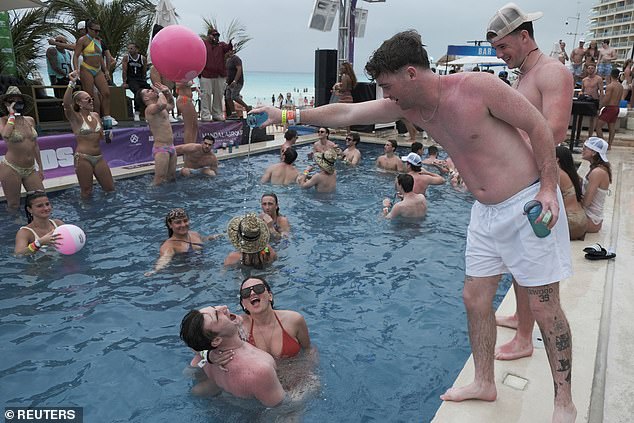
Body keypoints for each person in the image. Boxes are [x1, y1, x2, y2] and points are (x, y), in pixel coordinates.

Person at [251, 29, 575, 422]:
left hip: (527, 201)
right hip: (484, 212)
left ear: (410, 74)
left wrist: (546, 188)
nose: (385, 96)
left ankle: (563, 403)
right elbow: (348, 113)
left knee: (544, 305)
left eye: (388, 86)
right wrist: (286, 115)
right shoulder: (408, 107)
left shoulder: (478, 88)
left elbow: (540, 128)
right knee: (474, 300)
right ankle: (484, 381)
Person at [487, 4, 574, 371]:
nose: (500, 55)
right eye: (496, 50)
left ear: (525, 37)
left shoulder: (552, 72)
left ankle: (525, 339)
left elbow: (553, 131)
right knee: (518, 262)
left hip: (537, 183)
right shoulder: (524, 75)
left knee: (534, 268)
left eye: (504, 47)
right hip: (517, 183)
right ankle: (521, 322)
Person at [179, 305, 286, 407]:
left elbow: (194, 347)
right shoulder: (259, 370)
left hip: (223, 397)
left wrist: (208, 356)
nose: (224, 307)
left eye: (214, 307)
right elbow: (282, 409)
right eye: (217, 315)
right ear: (216, 340)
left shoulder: (205, 354)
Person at [63, 71, 115, 198]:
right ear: (79, 103)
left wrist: (108, 136)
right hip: (83, 158)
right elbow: (66, 104)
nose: (91, 101)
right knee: (87, 191)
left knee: (110, 189)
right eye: (88, 99)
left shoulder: (96, 115)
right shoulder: (75, 118)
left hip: (99, 157)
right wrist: (72, 83)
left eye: (91, 99)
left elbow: (102, 137)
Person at [0, 87, 45, 214]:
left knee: (41, 200)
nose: (16, 103)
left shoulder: (29, 120)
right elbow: (5, 135)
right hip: (11, 167)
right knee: (13, 204)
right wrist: (12, 115)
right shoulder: (3, 121)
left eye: (19, 101)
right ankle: (14, 230)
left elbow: (34, 144)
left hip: (30, 168)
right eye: (12, 101)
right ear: (6, 104)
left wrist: (40, 167)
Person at [146, 208, 220, 275]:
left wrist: (213, 237)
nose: (183, 225)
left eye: (185, 221)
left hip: (203, 269)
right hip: (185, 274)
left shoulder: (194, 234)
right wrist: (155, 270)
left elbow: (204, 239)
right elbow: (164, 258)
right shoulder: (169, 246)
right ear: (170, 225)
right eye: (178, 222)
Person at [72, 19, 117, 125]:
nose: (97, 33)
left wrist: (106, 70)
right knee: (89, 96)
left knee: (106, 93)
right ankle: (89, 116)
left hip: (98, 70)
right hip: (87, 68)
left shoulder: (99, 40)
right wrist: (76, 69)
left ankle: (106, 116)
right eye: (95, 30)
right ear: (88, 29)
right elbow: (76, 55)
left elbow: (100, 56)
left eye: (98, 31)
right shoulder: (82, 40)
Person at [139, 83, 176, 185]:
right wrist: (160, 92)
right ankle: (152, 198)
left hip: (171, 146)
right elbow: (162, 104)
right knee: (159, 180)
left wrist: (168, 92)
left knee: (172, 178)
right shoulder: (150, 109)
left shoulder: (160, 108)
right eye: (148, 91)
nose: (151, 90)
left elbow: (171, 105)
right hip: (161, 148)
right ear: (146, 98)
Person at [14, 190, 63, 256]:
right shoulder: (25, 232)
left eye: (47, 204)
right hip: (40, 265)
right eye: (40, 206)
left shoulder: (58, 224)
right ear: (29, 209)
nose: (46, 208)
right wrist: (39, 243)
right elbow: (18, 254)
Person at [200, 27, 232, 121]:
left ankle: (217, 114)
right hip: (206, 74)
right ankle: (205, 115)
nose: (216, 37)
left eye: (217, 35)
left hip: (219, 74)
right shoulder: (203, 44)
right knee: (206, 95)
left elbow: (228, 48)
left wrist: (230, 43)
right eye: (214, 35)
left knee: (218, 95)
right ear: (209, 36)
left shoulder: (221, 45)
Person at [556, 146, 587, 240]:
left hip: (571, 222)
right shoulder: (574, 176)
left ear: (557, 159)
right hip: (582, 221)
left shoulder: (558, 173)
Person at [581, 137, 611, 233]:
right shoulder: (596, 168)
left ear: (594, 153)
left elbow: (586, 202)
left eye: (585, 148)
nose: (583, 150)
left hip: (591, 219)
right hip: (591, 217)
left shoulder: (597, 172)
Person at [595, 68, 623, 148]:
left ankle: (604, 144)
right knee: (612, 127)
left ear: (610, 75)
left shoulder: (610, 86)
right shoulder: (620, 86)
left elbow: (607, 98)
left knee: (598, 126)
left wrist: (600, 107)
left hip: (610, 107)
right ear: (618, 76)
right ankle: (609, 144)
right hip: (616, 107)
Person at [121, 42, 150, 121]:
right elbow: (124, 71)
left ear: (137, 49)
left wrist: (144, 80)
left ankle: (149, 111)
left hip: (140, 79)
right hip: (131, 79)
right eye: (128, 49)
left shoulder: (142, 58)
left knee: (150, 90)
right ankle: (137, 112)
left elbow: (144, 71)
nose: (129, 50)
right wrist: (124, 82)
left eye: (131, 48)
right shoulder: (126, 58)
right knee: (137, 91)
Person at [224, 48, 250, 118]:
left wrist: (235, 81)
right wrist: (226, 82)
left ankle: (247, 107)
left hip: (237, 82)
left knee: (234, 96)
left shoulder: (236, 59)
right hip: (229, 83)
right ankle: (233, 113)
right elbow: (227, 72)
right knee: (228, 97)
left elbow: (239, 70)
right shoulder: (227, 60)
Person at [580, 62, 603, 139]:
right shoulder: (584, 80)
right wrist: (581, 94)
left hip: (594, 100)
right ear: (587, 69)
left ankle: (590, 137)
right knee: (580, 117)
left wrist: (600, 105)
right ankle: (578, 135)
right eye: (589, 68)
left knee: (593, 120)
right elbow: (582, 90)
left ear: (595, 69)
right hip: (586, 100)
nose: (590, 70)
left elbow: (601, 92)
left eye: (592, 68)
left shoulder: (598, 79)